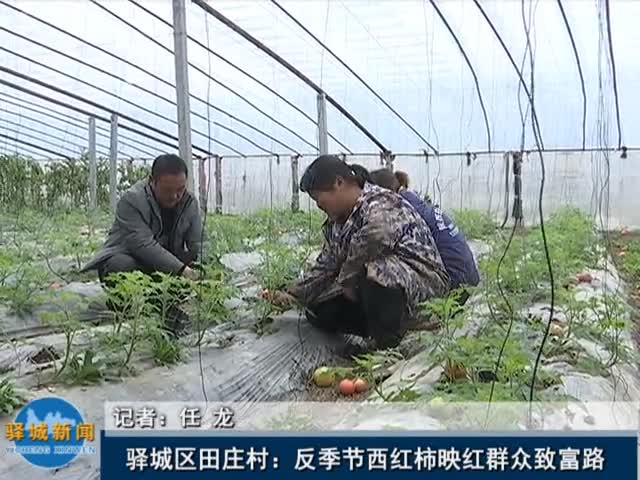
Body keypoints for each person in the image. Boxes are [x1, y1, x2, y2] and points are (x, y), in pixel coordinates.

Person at [267, 155, 450, 353]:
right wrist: (292, 293)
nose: (319, 206)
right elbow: (326, 265)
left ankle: (389, 346)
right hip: (379, 292)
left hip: (423, 286)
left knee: (375, 272)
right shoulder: (336, 225)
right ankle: (381, 330)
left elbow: (375, 236)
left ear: (339, 182)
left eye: (318, 198)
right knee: (321, 309)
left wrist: (346, 278)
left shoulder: (381, 201)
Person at [81, 153, 202, 332]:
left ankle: (160, 305)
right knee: (120, 265)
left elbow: (198, 242)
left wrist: (206, 269)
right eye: (168, 190)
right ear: (151, 181)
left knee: (190, 264)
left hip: (162, 265)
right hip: (134, 261)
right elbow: (143, 245)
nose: (175, 196)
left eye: (180, 189)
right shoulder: (131, 200)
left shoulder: (189, 203)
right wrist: (182, 270)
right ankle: (122, 311)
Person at [369, 168, 480, 303]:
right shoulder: (413, 199)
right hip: (468, 274)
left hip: (455, 281)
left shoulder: (402, 208)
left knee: (383, 269)